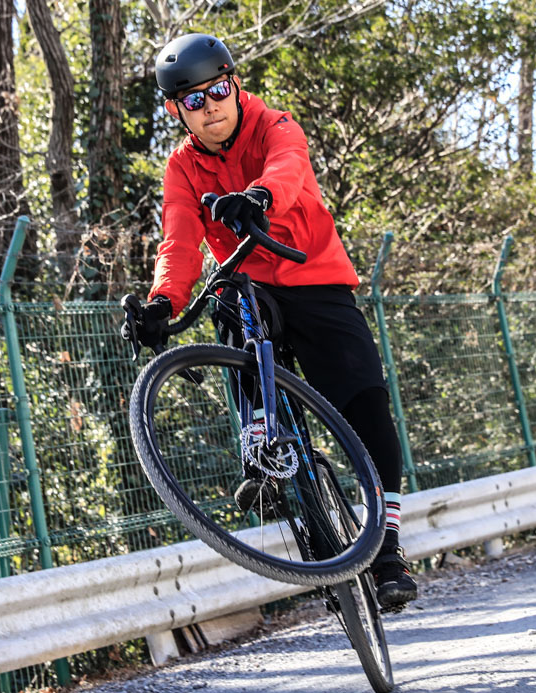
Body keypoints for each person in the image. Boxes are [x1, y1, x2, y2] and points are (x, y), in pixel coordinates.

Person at [124, 33, 417, 610]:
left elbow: (289, 167)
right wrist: (163, 303)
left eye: (218, 91)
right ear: (175, 111)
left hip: (315, 276)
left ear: (235, 84)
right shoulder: (182, 168)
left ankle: (386, 544)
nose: (210, 107)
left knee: (364, 400)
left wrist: (256, 197)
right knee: (233, 304)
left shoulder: (273, 124)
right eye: (193, 102)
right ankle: (260, 441)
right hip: (249, 281)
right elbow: (179, 241)